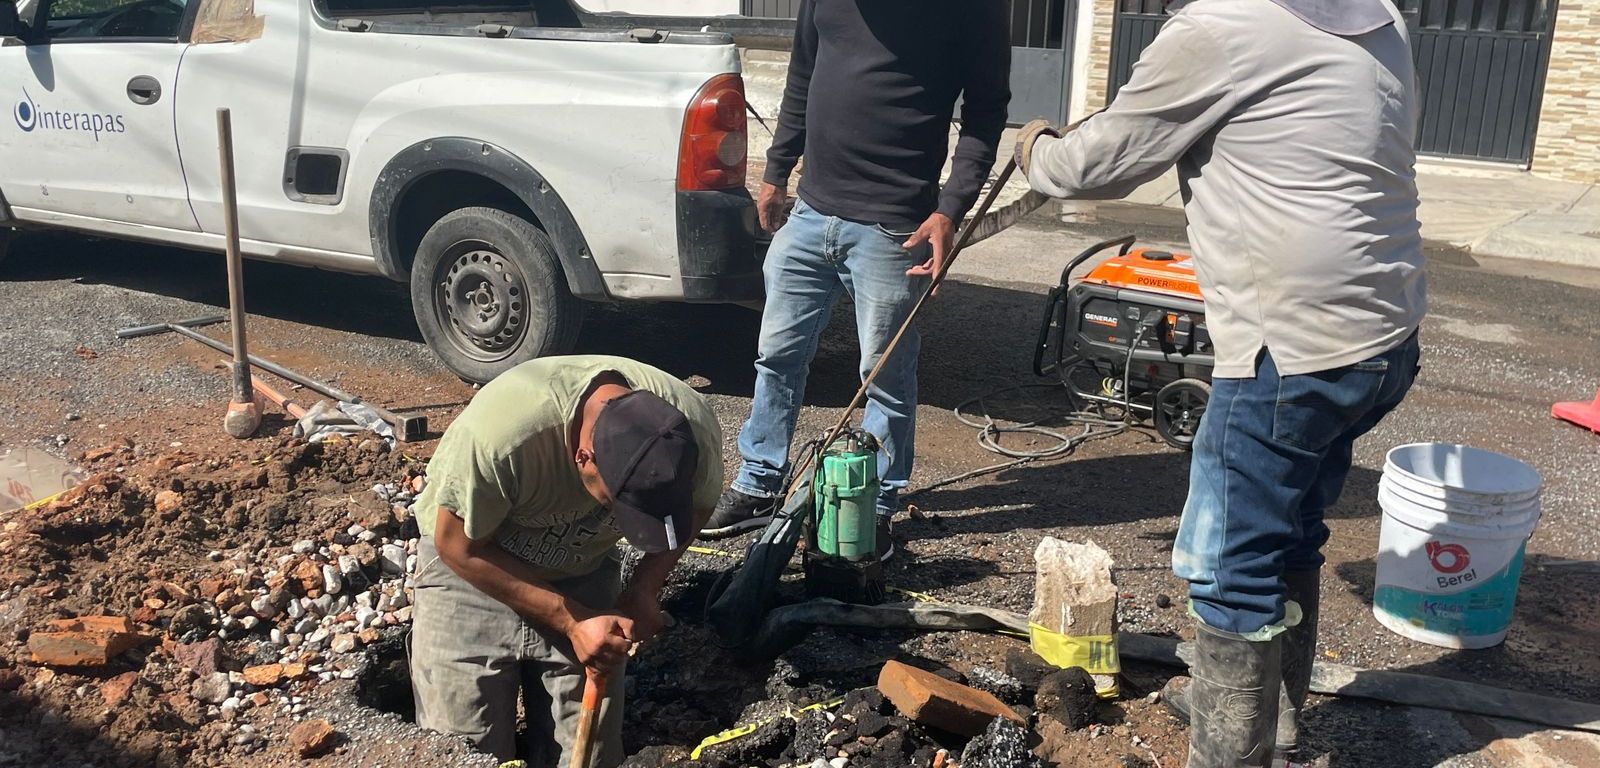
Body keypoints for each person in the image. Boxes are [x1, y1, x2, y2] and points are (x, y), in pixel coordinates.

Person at [1016, 1, 1426, 765]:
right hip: (1383, 340)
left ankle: (1233, 750)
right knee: (1292, 528)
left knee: (1230, 568)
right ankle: (1267, 717)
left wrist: (1034, 144)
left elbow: (1091, 166)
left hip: (1291, 355)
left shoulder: (1222, 27)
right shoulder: (1379, 15)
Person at [701, 0, 1011, 561]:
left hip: (896, 227)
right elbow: (802, 76)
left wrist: (950, 209)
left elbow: (987, 115)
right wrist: (776, 172)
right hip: (811, 212)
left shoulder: (974, 8)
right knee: (777, 356)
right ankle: (759, 482)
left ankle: (876, 504)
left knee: (884, 376)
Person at [408, 355, 722, 767]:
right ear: (583, 457)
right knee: (464, 748)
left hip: (582, 567)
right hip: (470, 573)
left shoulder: (689, 431)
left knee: (592, 753)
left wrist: (644, 589)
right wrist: (572, 622)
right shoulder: (503, 437)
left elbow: (699, 504)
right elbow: (457, 546)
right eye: (620, 506)